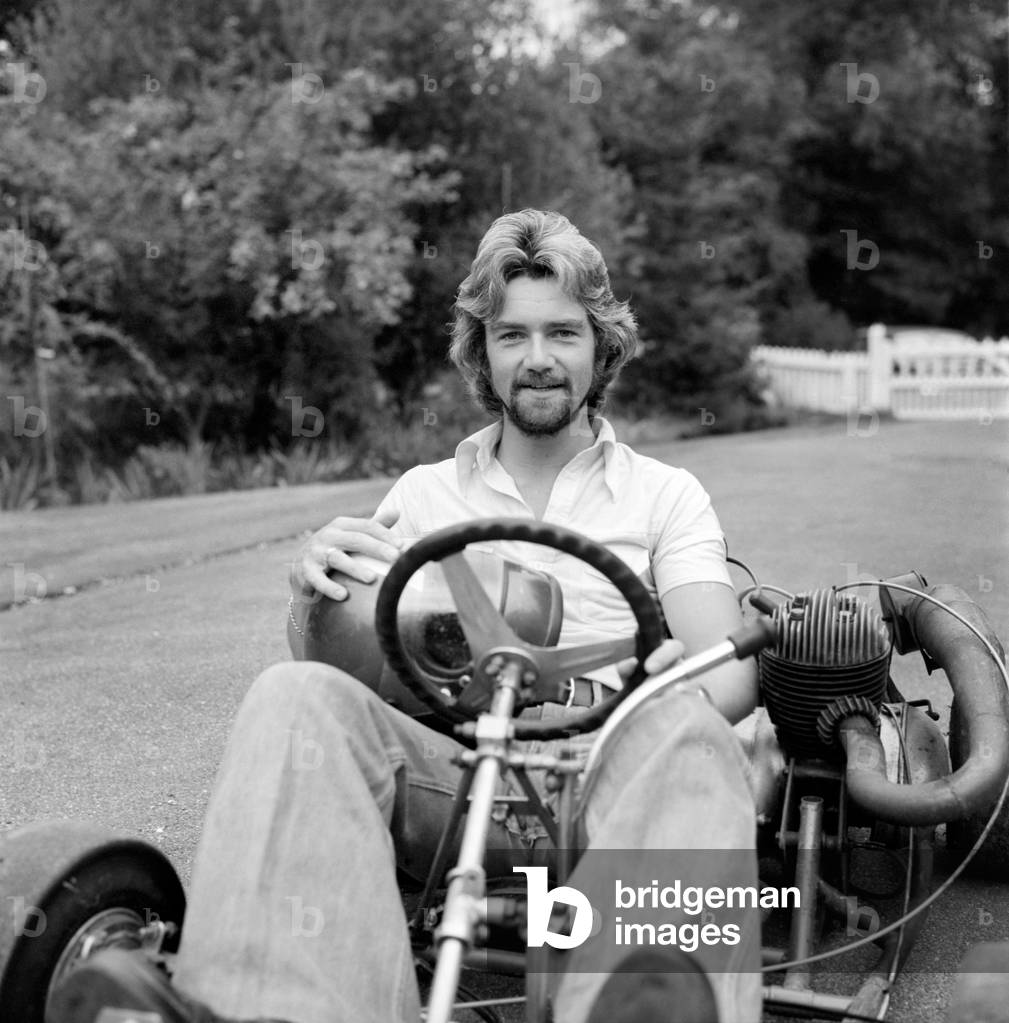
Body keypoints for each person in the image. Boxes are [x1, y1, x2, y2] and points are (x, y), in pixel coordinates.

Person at [51, 210, 763, 1023]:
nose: (536, 360)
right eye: (511, 336)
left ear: (601, 347)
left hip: (616, 770)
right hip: (460, 779)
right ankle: (268, 1007)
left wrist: (656, 682)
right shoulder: (426, 495)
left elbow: (728, 672)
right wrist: (313, 587)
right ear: (481, 354)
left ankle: (644, 999)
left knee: (689, 723)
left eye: (562, 333)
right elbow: (340, 663)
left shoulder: (663, 494)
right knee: (293, 697)